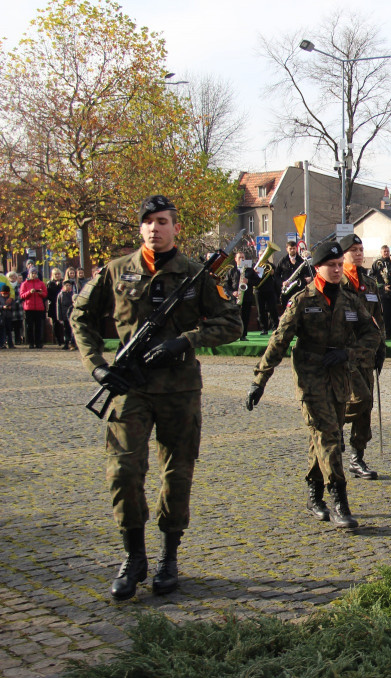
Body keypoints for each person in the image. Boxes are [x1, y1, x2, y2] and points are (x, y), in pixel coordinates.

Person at [70, 194, 242, 600]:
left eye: (163, 221)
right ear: (140, 227)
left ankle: (168, 555)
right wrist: (96, 365)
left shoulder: (196, 274)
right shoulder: (117, 271)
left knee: (177, 472)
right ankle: (134, 556)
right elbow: (80, 316)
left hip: (179, 389)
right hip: (130, 387)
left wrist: (185, 341)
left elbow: (231, 322)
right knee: (124, 470)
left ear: (175, 227)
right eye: (148, 221)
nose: (155, 228)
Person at [246, 239, 381, 528]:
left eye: (337, 265)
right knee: (330, 434)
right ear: (317, 268)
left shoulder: (350, 299)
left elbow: (371, 334)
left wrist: (349, 353)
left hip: (339, 375)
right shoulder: (302, 300)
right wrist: (260, 380)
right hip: (310, 376)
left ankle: (314, 494)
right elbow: (279, 340)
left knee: (320, 436)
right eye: (329, 266)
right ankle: (339, 501)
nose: (335, 270)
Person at [336, 234, 387, 480]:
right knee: (360, 399)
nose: (358, 254)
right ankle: (333, 427)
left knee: (366, 406)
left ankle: (357, 457)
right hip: (343, 354)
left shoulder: (369, 283)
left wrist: (382, 347)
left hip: (367, 353)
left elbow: (379, 317)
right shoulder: (337, 282)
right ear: (343, 254)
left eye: (360, 249)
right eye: (353, 250)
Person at [226, 252, 257, 340]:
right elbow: (226, 285)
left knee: (246, 316)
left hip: (247, 296)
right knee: (234, 316)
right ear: (235, 259)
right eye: (239, 257)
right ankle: (233, 334)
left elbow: (257, 281)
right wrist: (232, 292)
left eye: (243, 257)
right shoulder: (232, 271)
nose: (242, 259)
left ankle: (243, 335)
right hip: (235, 297)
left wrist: (248, 281)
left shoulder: (250, 270)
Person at [20, 268, 47, 349]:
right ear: (29, 274)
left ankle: (38, 342)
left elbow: (45, 294)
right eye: (32, 273)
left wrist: (41, 293)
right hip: (29, 307)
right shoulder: (25, 284)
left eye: (35, 273)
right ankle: (31, 342)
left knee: (38, 326)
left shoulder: (41, 283)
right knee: (29, 326)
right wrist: (29, 292)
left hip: (39, 307)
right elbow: (22, 295)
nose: (34, 275)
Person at [275, 240, 305, 305]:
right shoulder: (283, 260)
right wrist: (282, 282)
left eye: (294, 248)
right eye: (290, 249)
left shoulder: (301, 260)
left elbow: (305, 273)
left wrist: (296, 264)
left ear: (296, 249)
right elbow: (276, 274)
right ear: (287, 249)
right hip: (287, 289)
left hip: (298, 289)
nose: (292, 250)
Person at [46, 268, 65, 347]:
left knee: (63, 323)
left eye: (58, 274)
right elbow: (49, 295)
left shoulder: (63, 283)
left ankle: (64, 338)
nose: (57, 276)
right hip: (53, 305)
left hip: (62, 305)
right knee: (55, 323)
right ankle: (57, 339)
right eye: (55, 274)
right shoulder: (50, 283)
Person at [55, 280, 76, 350]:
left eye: (69, 285)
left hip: (72, 315)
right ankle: (66, 343)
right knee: (66, 330)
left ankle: (73, 343)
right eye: (66, 285)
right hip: (64, 315)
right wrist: (59, 317)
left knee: (73, 330)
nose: (68, 287)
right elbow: (58, 306)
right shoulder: (60, 295)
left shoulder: (73, 294)